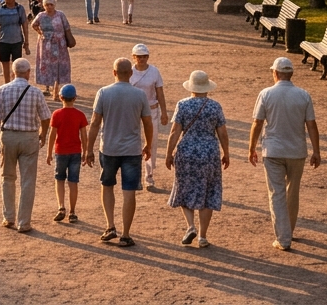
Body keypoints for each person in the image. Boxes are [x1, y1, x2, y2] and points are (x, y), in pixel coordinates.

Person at [250, 56, 320, 252]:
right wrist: (316, 151)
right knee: (292, 191)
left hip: (273, 150)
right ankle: (288, 230)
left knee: (276, 193)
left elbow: (257, 123)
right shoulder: (303, 95)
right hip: (297, 151)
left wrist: (251, 147)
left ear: (275, 73)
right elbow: (311, 125)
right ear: (291, 74)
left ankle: (283, 237)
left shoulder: (266, 94)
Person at [84, 58, 154, 248]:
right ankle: (126, 234)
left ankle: (110, 226)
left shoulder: (104, 93)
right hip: (131, 150)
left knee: (107, 185)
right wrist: (148, 144)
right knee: (129, 191)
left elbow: (95, 123)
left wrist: (88, 149)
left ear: (114, 72)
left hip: (108, 148)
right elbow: (147, 123)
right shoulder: (139, 95)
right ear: (131, 73)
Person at [166, 70, 230, 248]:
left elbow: (175, 132)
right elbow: (222, 132)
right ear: (207, 87)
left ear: (191, 87)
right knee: (209, 191)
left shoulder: (183, 105)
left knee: (184, 188)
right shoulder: (215, 107)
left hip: (187, 151)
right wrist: (226, 153)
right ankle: (202, 236)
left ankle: (190, 226)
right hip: (209, 152)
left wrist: (169, 153)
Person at [0, 58, 51, 233]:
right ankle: (24, 222)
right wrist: (43, 134)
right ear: (29, 73)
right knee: (28, 181)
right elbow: (46, 118)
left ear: (13, 73)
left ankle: (8, 217)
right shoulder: (36, 92)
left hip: (8, 136)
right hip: (29, 138)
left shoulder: (3, 90)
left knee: (7, 178)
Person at [46, 85, 88, 223]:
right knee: (73, 182)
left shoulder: (57, 114)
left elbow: (52, 135)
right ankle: (72, 211)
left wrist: (49, 152)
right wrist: (85, 151)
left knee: (59, 179)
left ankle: (61, 207)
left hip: (61, 151)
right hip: (75, 151)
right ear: (75, 98)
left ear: (60, 97)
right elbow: (84, 135)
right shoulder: (80, 115)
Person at [129, 44, 169, 187]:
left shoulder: (154, 72)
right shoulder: (129, 71)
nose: (141, 59)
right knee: (134, 141)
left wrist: (164, 112)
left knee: (151, 142)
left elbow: (160, 92)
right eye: (138, 56)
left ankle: (149, 174)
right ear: (133, 57)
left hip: (151, 109)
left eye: (144, 56)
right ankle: (135, 174)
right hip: (133, 111)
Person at [30, 0, 73, 101]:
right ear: (43, 6)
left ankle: (56, 90)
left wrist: (69, 39)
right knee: (47, 66)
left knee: (58, 66)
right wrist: (40, 33)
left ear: (54, 5)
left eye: (51, 5)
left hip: (59, 45)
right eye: (46, 5)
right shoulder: (41, 15)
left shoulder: (60, 15)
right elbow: (33, 24)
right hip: (46, 45)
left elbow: (67, 27)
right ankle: (48, 87)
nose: (49, 7)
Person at [0, 0, 29, 84]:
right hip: (3, 40)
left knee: (16, 64)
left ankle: (15, 82)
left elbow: (24, 24)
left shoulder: (20, 9)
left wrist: (26, 40)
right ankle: (7, 83)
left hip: (16, 40)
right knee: (5, 63)